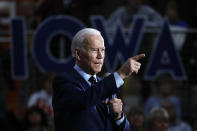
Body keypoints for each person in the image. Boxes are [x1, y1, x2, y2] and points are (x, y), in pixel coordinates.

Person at [52, 28, 145, 131]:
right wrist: (121, 74)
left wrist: (118, 116)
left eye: (102, 50)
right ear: (78, 54)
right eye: (94, 50)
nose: (100, 56)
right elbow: (83, 100)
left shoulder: (105, 84)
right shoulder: (63, 81)